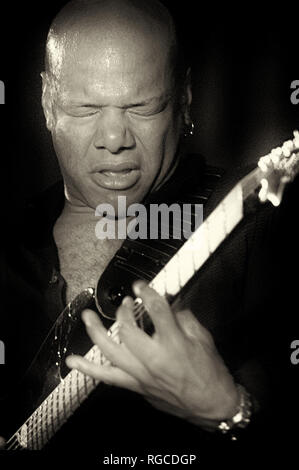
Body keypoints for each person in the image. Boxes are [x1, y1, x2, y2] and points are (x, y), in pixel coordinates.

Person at [1, 0, 298, 462]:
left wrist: (228, 410)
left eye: (142, 107)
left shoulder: (258, 220)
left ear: (183, 99)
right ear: (46, 102)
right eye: (85, 108)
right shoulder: (9, 244)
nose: (115, 138)